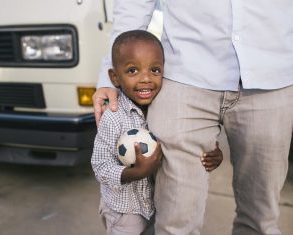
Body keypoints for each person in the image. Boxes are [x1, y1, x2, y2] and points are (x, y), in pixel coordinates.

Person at [93, 1, 293, 235]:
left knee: (261, 221)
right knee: (175, 223)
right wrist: (110, 76)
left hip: (273, 75)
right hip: (185, 74)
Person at [91, 30, 224, 235]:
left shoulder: (166, 109)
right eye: (133, 70)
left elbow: (186, 141)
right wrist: (135, 172)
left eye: (154, 70)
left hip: (155, 205)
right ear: (115, 77)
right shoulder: (114, 116)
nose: (146, 79)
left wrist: (213, 153)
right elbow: (100, 166)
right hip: (125, 211)